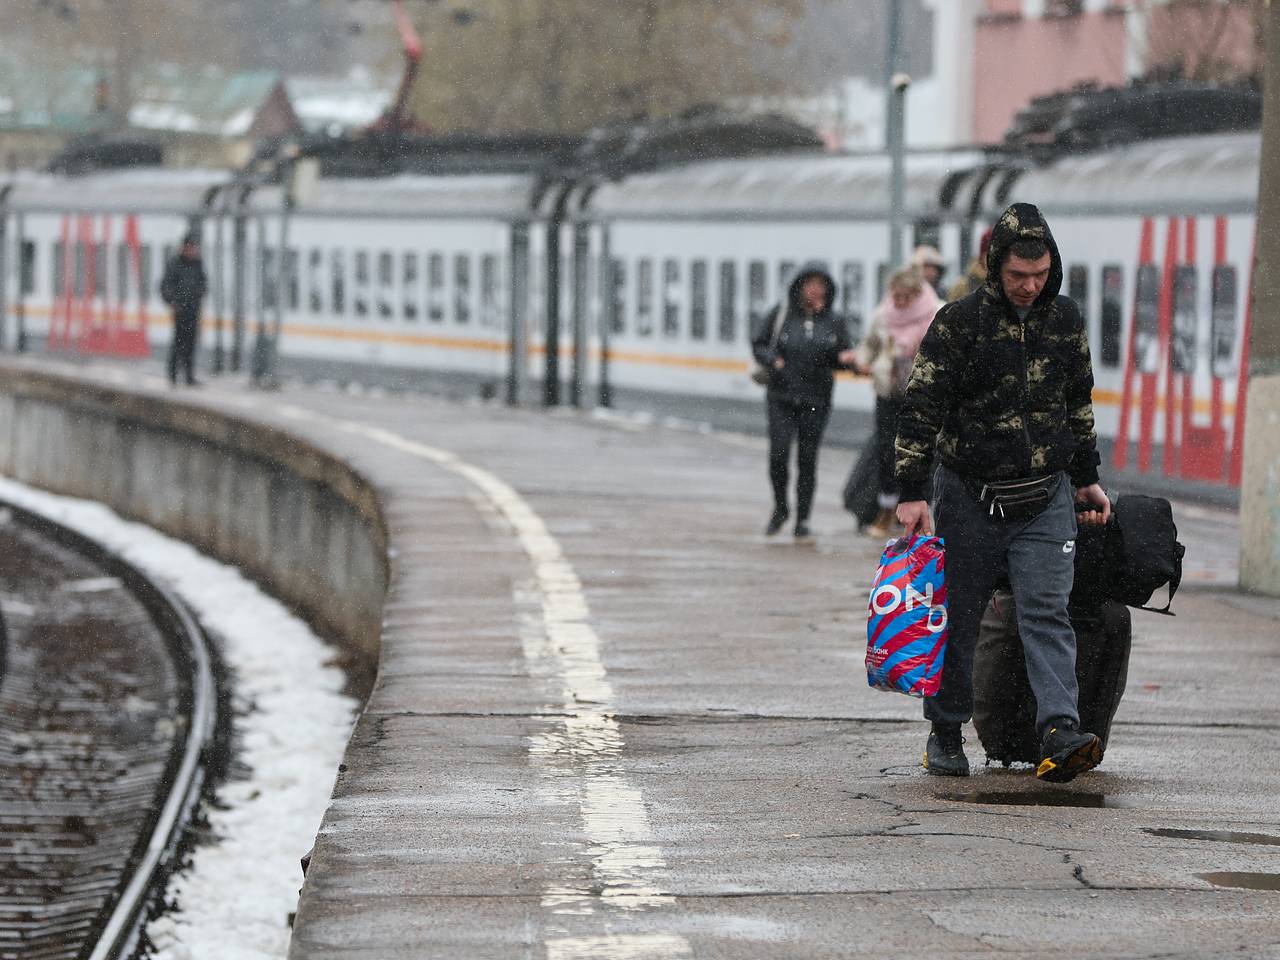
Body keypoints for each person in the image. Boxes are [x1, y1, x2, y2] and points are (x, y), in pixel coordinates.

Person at [894, 202, 1112, 783]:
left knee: (1047, 612)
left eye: (1039, 276)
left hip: (1046, 497)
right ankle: (945, 731)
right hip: (971, 496)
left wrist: (1087, 477)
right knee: (960, 618)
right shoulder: (959, 324)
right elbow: (920, 407)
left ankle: (1059, 730)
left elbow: (1078, 403)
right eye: (1018, 276)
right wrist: (912, 491)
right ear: (997, 267)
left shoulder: (1064, 320)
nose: (1029, 286)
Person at [752, 263, 859, 540]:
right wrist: (772, 360)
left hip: (817, 398)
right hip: (782, 396)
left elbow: (841, 355)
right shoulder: (782, 315)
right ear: (799, 287)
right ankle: (780, 507)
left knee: (807, 459)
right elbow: (759, 343)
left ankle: (803, 518)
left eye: (820, 284)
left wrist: (847, 360)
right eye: (810, 283)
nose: (815, 289)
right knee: (778, 454)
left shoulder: (834, 321)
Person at [852, 266, 940, 538]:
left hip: (922, 396)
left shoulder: (936, 313)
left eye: (905, 297)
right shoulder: (883, 315)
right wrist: (862, 360)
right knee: (887, 454)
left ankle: (921, 511)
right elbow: (869, 345)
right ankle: (886, 509)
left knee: (923, 454)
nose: (899, 302)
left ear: (917, 294)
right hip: (888, 393)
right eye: (896, 296)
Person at [160, 233, 207, 387]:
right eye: (189, 247)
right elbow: (165, 286)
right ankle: (172, 375)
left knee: (191, 343)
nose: (191, 250)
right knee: (179, 343)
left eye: (193, 247)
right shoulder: (175, 264)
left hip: (193, 309)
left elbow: (203, 283)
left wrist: (199, 296)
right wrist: (173, 301)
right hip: (180, 310)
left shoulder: (197, 264)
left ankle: (189, 376)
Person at [945, 228, 993, 302]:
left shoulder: (1008, 284)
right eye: (990, 254)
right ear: (981, 256)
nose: (994, 259)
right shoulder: (962, 287)